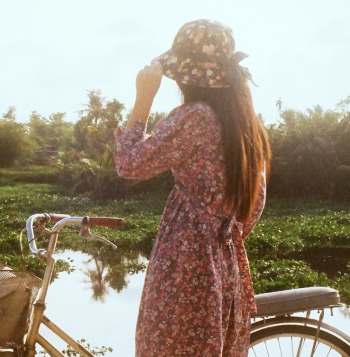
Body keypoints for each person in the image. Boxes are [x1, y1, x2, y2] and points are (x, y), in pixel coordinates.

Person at [114, 19, 271, 357]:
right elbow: (254, 204)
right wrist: (219, 236)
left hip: (186, 261)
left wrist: (144, 97)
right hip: (225, 262)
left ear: (187, 75)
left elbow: (128, 163)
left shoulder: (196, 117)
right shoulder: (246, 124)